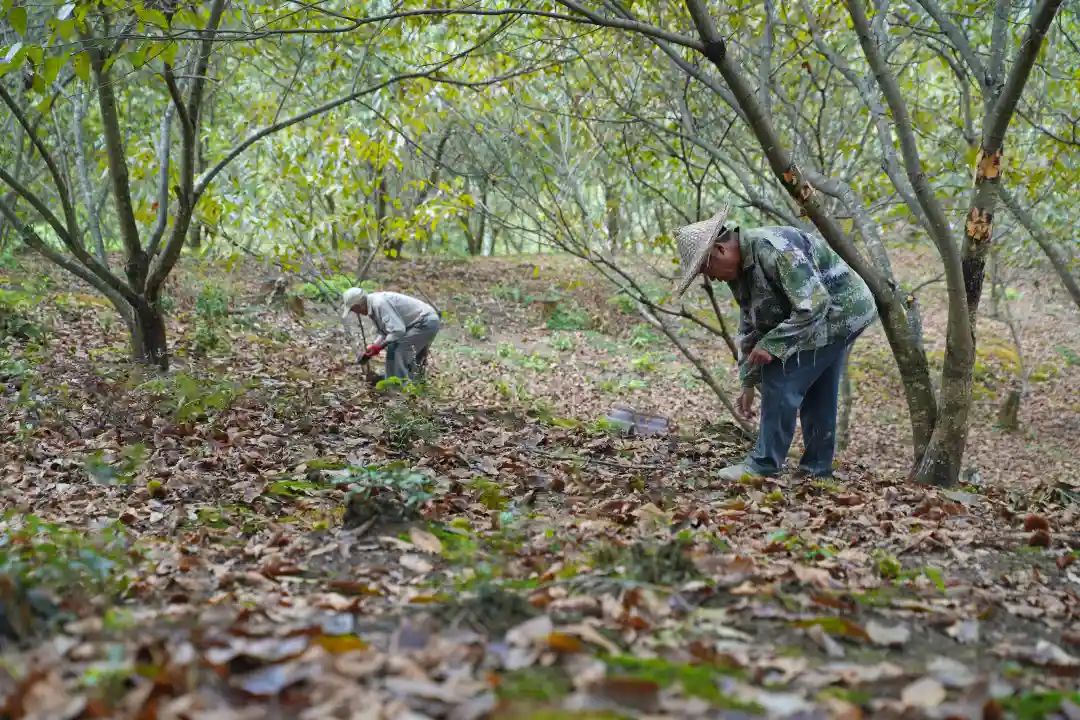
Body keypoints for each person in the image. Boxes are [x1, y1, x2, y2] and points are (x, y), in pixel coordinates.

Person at [673, 207, 877, 481]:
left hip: (842, 310)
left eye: (705, 269)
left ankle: (763, 465)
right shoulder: (741, 270)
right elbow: (750, 326)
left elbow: (815, 304)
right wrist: (746, 381)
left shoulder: (773, 250)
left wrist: (773, 345)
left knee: (780, 374)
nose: (710, 278)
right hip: (825, 316)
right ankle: (817, 470)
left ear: (720, 250)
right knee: (819, 388)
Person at [341, 288, 440, 381]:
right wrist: (374, 345)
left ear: (358, 305)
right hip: (422, 322)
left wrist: (379, 347)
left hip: (424, 323)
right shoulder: (373, 304)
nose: (355, 313)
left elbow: (397, 331)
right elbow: (386, 331)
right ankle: (414, 385)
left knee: (397, 350)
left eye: (353, 310)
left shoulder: (379, 304)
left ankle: (397, 388)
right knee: (412, 358)